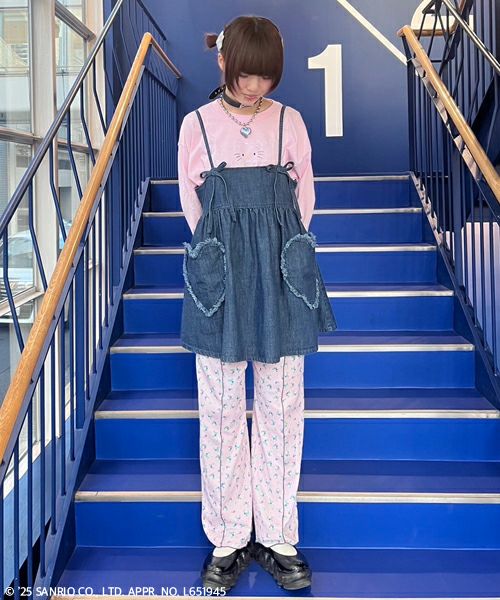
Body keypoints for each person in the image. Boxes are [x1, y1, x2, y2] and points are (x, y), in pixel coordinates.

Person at [177, 15, 337, 593]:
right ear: (223, 62)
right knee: (220, 409)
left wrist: (277, 251)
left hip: (281, 274)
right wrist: (225, 254)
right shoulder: (196, 125)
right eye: (246, 75)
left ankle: (276, 533)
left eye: (266, 77)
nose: (255, 87)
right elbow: (193, 206)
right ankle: (227, 535)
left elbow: (304, 198)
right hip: (221, 274)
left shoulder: (290, 122)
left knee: (283, 406)